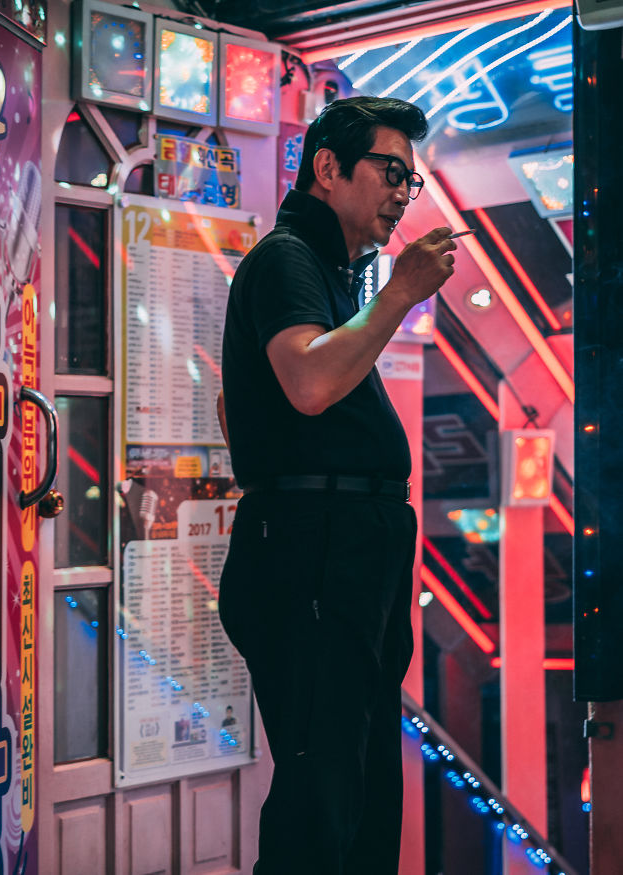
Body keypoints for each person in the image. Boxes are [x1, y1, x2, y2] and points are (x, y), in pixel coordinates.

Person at [217, 96, 457, 875]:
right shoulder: (288, 257)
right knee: (324, 802)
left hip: (341, 552)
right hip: (314, 554)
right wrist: (400, 293)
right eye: (392, 172)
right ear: (328, 167)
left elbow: (239, 400)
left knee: (356, 795)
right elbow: (311, 383)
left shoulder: (328, 270)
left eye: (410, 182)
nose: (402, 193)